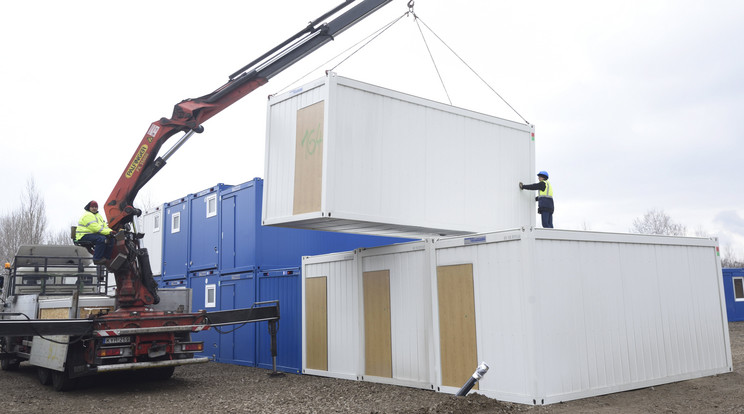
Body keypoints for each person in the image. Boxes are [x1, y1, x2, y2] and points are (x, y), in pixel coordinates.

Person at [75, 200, 115, 265]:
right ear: (89, 208)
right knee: (102, 239)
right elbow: (96, 228)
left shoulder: (98, 216)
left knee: (111, 239)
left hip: (92, 234)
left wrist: (111, 232)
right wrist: (109, 232)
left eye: (96, 207)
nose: (94, 208)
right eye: (92, 207)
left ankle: (106, 258)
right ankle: (97, 259)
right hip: (83, 235)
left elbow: (104, 226)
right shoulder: (87, 215)